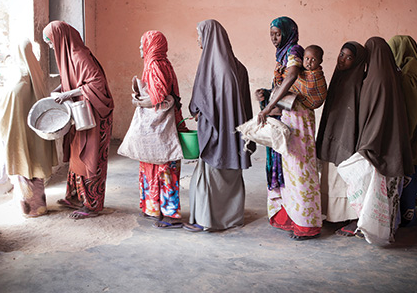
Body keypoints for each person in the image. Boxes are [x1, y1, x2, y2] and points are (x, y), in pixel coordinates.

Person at [336, 37, 413, 244]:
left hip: (377, 143)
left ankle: (372, 228)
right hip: (392, 142)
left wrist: (368, 144)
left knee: (375, 190)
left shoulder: (375, 80)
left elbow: (375, 116)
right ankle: (388, 228)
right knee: (389, 192)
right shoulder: (392, 76)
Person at [256, 16, 324, 241]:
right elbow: (283, 84)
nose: (274, 38)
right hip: (288, 115)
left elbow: (293, 74)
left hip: (298, 118)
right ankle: (289, 215)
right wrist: (267, 95)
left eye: (277, 34)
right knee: (288, 168)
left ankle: (307, 224)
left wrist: (270, 107)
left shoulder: (294, 50)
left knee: (300, 167)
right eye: (271, 34)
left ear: (287, 33)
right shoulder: (282, 53)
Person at [184, 19, 254, 232]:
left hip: (216, 132)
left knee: (210, 173)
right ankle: (231, 217)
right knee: (229, 172)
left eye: (199, 35)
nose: (198, 40)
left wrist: (195, 112)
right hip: (233, 134)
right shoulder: (238, 66)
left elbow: (201, 102)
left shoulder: (210, 67)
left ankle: (207, 221)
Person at [43, 21, 114, 219]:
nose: (50, 46)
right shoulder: (68, 56)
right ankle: (75, 197)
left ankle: (92, 205)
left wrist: (66, 95)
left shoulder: (79, 55)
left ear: (60, 39)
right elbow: (74, 80)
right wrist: (59, 91)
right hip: (81, 115)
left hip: (93, 116)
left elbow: (96, 83)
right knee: (76, 153)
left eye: (50, 42)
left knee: (90, 157)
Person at [0, 38, 58, 217]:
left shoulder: (17, 85)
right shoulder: (37, 79)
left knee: (25, 172)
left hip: (21, 136)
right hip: (36, 136)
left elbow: (0, 110)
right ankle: (39, 206)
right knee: (36, 173)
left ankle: (30, 209)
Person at [133, 30, 187, 229]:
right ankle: (155, 208)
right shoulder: (164, 63)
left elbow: (158, 99)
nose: (140, 48)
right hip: (165, 124)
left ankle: (171, 214)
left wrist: (137, 101)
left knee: (162, 166)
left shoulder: (154, 65)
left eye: (143, 44)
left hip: (160, 126)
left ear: (152, 45)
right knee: (157, 165)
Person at [316, 42, 367, 236]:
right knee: (330, 174)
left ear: (358, 61)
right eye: (341, 54)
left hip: (346, 137)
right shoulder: (338, 77)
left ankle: (349, 216)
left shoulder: (357, 82)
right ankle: (333, 215)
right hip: (333, 133)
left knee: (344, 175)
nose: (342, 60)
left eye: (348, 57)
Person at [387, 35, 417, 227]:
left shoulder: (409, 72)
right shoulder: (411, 67)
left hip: (410, 134)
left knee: (409, 173)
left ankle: (406, 218)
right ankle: (407, 216)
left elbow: (411, 108)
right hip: (413, 133)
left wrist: (404, 136)